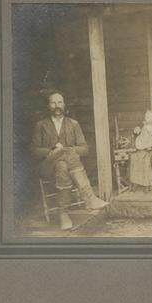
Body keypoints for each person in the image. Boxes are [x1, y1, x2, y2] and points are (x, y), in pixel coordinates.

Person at [31, 91, 109, 230]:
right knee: (62, 156)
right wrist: (53, 150)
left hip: (65, 168)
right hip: (47, 167)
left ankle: (63, 213)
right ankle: (89, 198)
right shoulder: (41, 125)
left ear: (64, 104)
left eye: (60, 102)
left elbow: (84, 148)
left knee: (62, 166)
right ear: (49, 105)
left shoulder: (73, 124)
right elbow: (34, 151)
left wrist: (68, 151)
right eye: (53, 102)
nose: (57, 106)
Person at [129, 110, 152, 191]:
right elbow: (138, 135)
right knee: (134, 157)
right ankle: (136, 182)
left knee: (146, 158)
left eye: (151, 117)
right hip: (143, 147)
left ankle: (148, 183)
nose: (148, 119)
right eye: (147, 117)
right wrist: (136, 131)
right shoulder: (143, 125)